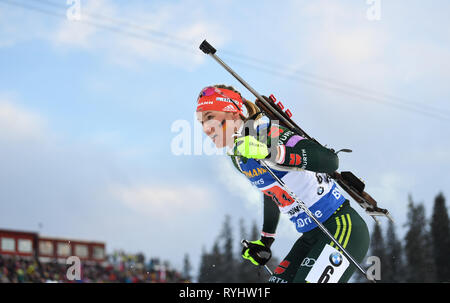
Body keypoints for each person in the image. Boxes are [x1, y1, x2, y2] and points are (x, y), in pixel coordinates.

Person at [196, 84, 370, 283]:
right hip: (310, 236)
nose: (205, 128)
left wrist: (271, 153)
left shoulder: (267, 132)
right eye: (201, 122)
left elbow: (329, 160)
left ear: (234, 114)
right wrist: (266, 240)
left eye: (210, 117)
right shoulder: (239, 159)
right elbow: (272, 190)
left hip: (340, 225)